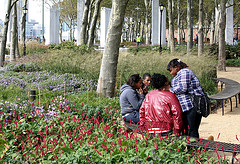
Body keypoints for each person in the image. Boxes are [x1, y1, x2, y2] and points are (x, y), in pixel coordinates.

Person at [167, 58, 204, 138]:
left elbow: (183, 88)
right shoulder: (179, 75)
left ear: (176, 67)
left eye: (171, 70)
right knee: (188, 130)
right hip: (186, 107)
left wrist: (170, 90)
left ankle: (195, 149)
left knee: (192, 130)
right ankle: (191, 149)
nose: (170, 73)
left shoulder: (184, 72)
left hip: (192, 106)